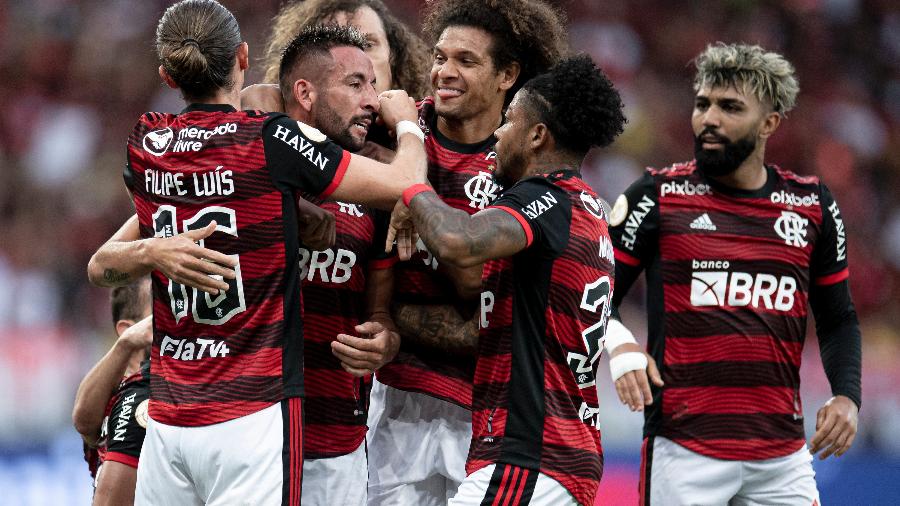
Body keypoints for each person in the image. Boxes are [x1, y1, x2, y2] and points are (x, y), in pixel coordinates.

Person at [87, 1, 427, 504]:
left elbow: (100, 266)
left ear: (167, 74)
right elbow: (404, 183)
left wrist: (157, 252)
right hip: (255, 410)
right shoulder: (272, 141)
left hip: (175, 408)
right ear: (244, 56)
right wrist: (409, 125)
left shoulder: (147, 141)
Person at [605, 43, 861, 505]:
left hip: (783, 458)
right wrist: (621, 345)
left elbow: (838, 318)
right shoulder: (656, 196)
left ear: (769, 124)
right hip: (684, 450)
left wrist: (847, 395)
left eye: (730, 107)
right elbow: (592, 291)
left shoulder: (812, 207)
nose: (709, 119)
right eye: (702, 104)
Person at [348, 1, 569, 503]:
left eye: (466, 61)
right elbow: (268, 102)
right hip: (398, 403)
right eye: (440, 57)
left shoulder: (525, 165)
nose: (444, 73)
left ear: (507, 75)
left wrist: (412, 187)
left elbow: (479, 297)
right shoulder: (395, 130)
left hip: (488, 411)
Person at [387, 54, 626, 506]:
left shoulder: (548, 200)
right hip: (559, 453)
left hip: (529, 455)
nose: (497, 133)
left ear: (537, 135)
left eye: (509, 120)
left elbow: (458, 240)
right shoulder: (588, 208)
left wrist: (412, 181)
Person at [73, 278, 152, 506]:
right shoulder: (133, 396)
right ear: (128, 330)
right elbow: (83, 420)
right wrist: (125, 345)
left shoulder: (112, 393)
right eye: (160, 305)